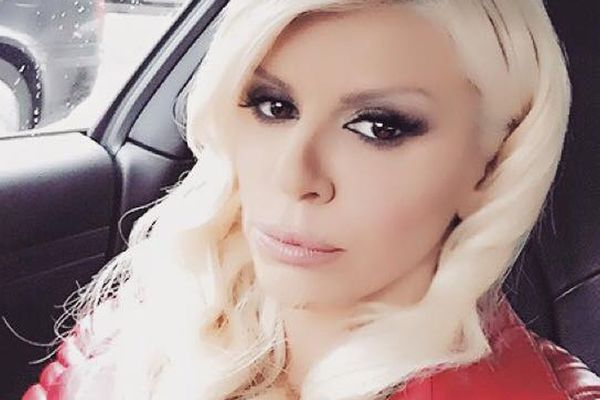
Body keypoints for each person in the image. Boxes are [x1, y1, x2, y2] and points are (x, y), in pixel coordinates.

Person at [21, 0, 600, 399]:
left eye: (378, 127)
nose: (293, 175)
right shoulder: (138, 323)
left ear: (492, 163)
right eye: (274, 106)